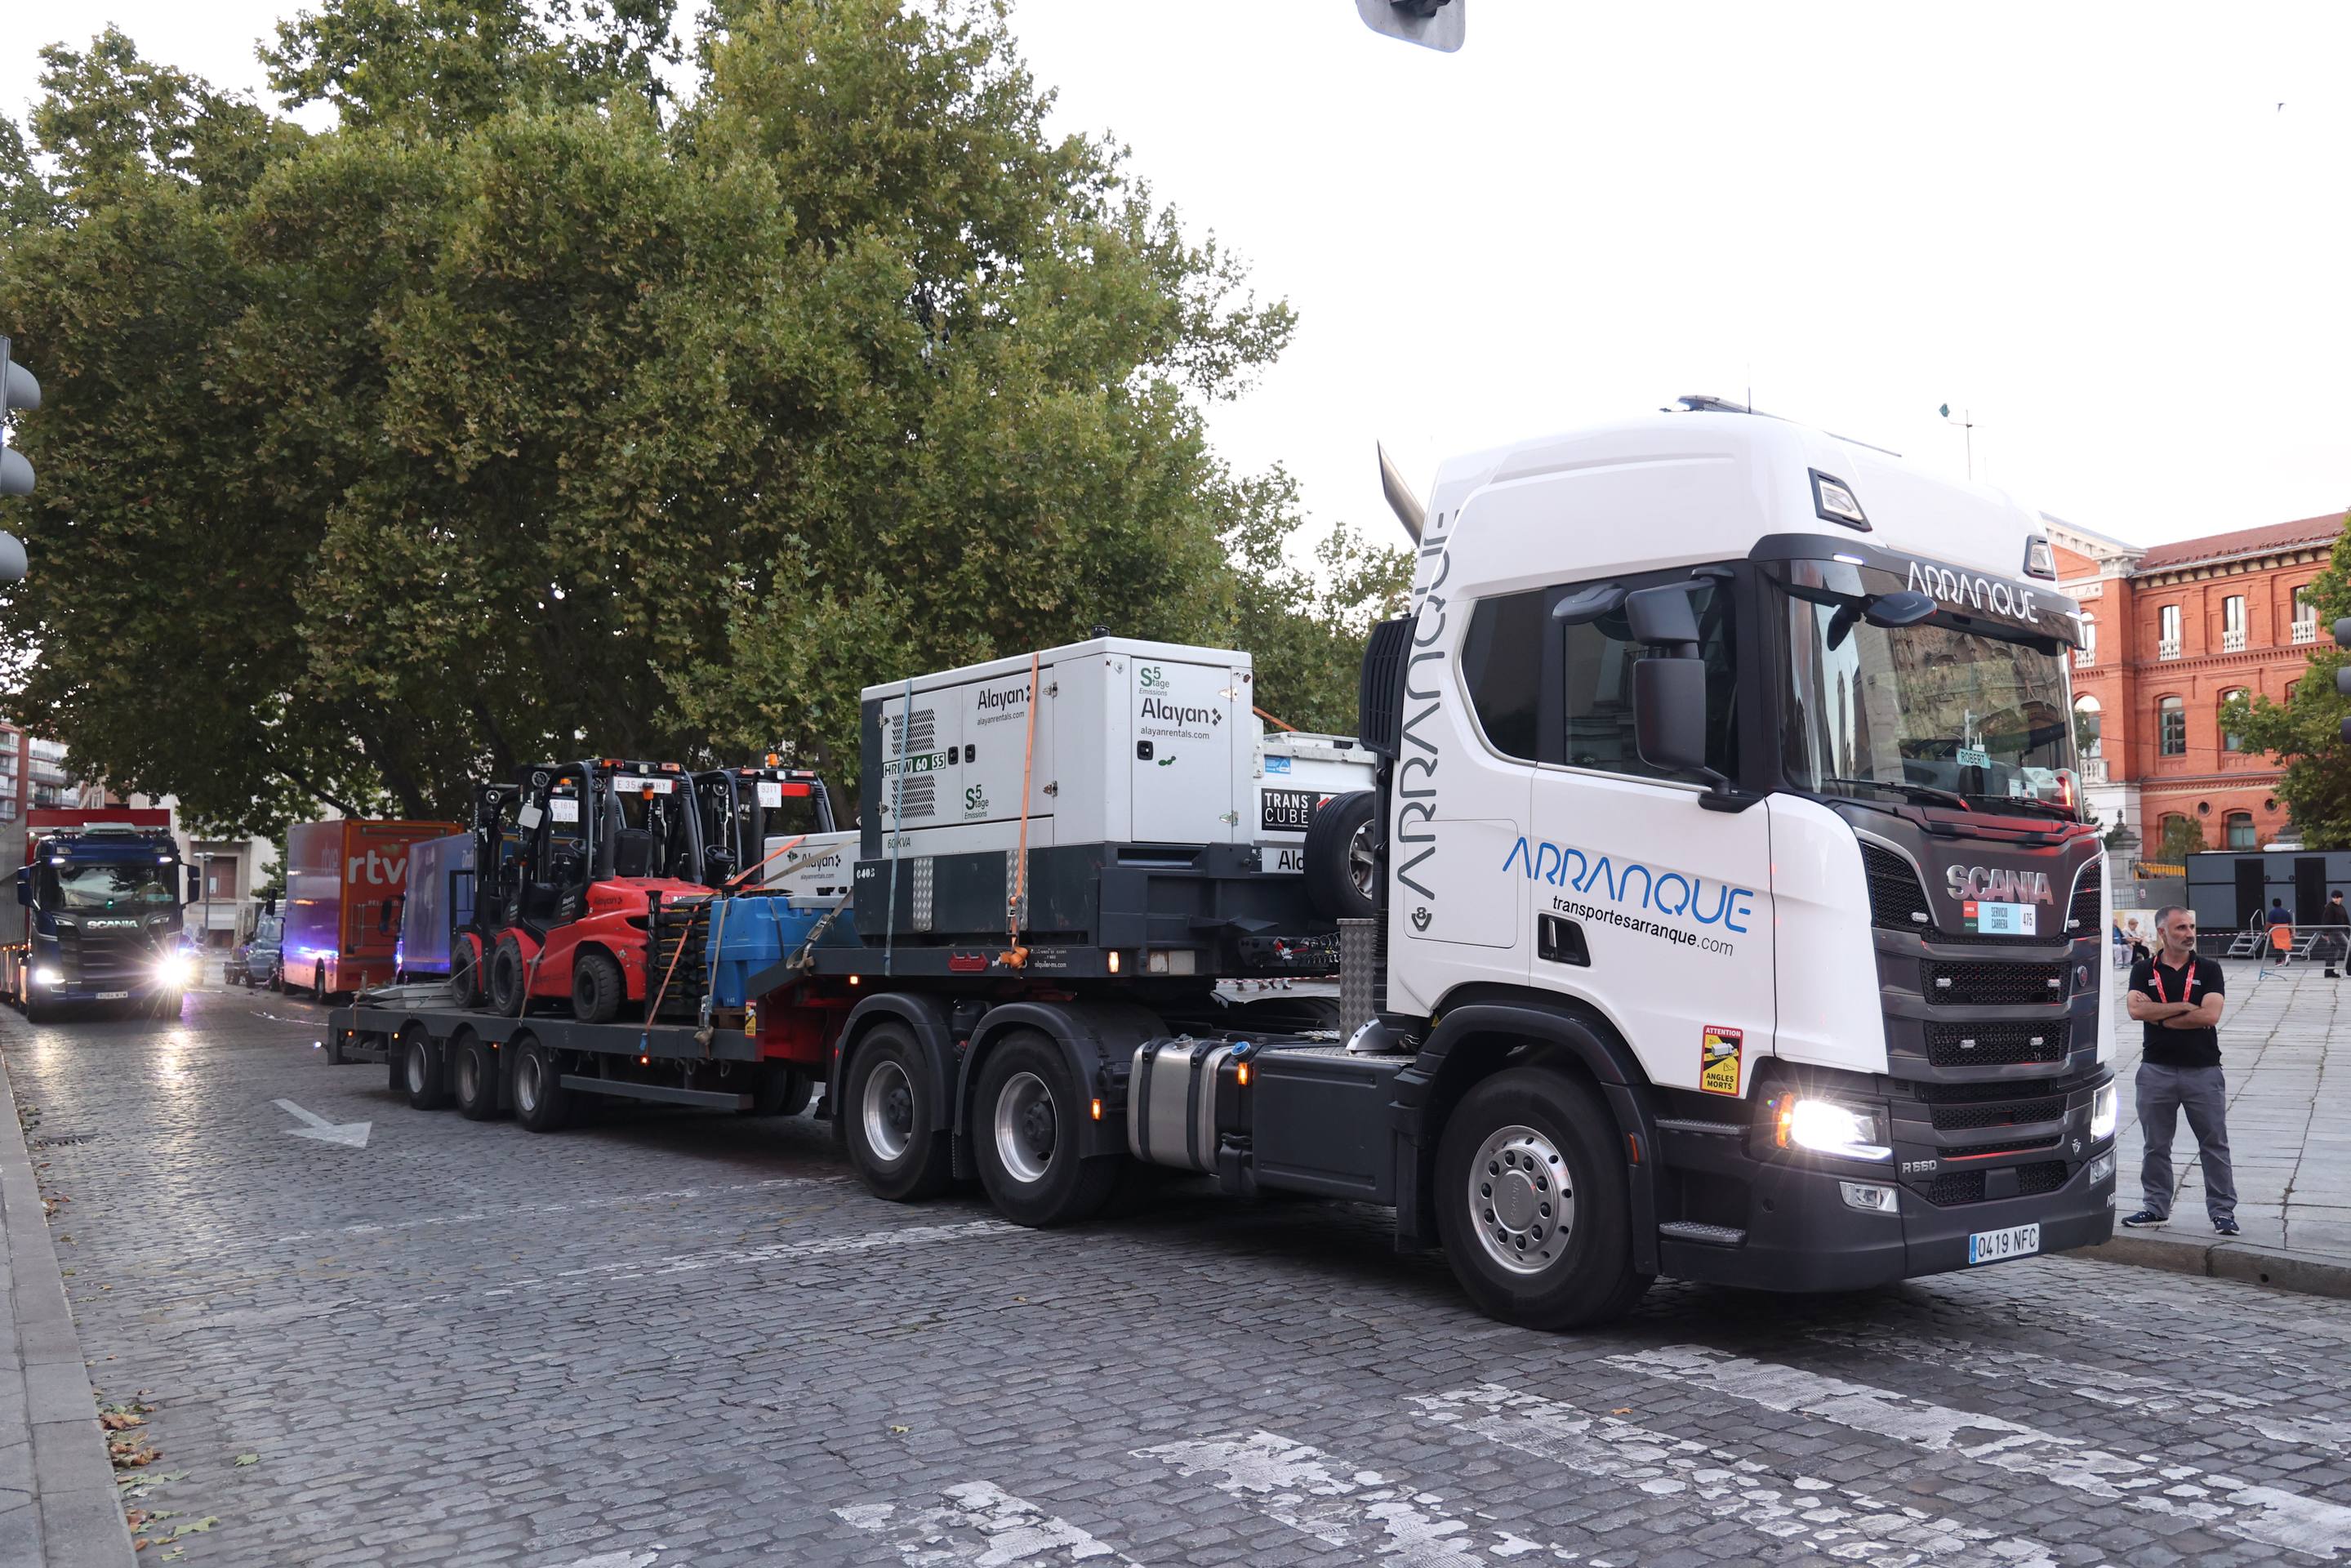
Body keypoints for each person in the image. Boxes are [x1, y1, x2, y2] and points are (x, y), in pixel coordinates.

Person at [2122, 906, 2237, 1236]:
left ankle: (2223, 1212)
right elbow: (2133, 1009)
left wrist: (2158, 1016)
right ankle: (2156, 1207)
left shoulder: (2209, 969)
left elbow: (2209, 1016)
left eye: (2191, 926)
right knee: (2155, 1145)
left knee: (2214, 1144)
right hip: (2155, 1070)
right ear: (2162, 933)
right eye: (2181, 928)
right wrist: (2186, 1006)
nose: (2189, 933)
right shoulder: (2144, 969)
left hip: (2203, 1070)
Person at [2320, 890, 2350, 978]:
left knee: (2332, 953)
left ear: (2341, 898)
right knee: (2348, 949)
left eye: (2337, 897)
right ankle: (2350, 970)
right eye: (2334, 897)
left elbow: (2346, 919)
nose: (2335, 899)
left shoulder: (2341, 907)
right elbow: (2326, 920)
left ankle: (2329, 972)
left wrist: (2349, 930)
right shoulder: (2330, 907)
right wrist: (2325, 933)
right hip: (2334, 932)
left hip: (2339, 931)